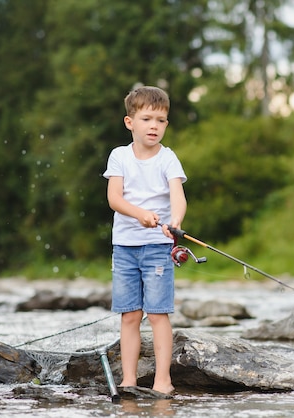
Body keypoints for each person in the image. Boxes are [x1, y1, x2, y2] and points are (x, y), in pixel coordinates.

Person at [103, 85, 187, 395]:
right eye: (148, 119)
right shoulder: (120, 156)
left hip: (158, 248)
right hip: (124, 247)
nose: (154, 126)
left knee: (157, 313)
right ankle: (128, 379)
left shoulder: (168, 159)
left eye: (162, 120)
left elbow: (178, 197)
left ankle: (163, 380)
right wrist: (139, 213)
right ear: (130, 122)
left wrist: (175, 221)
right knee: (130, 315)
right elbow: (114, 198)